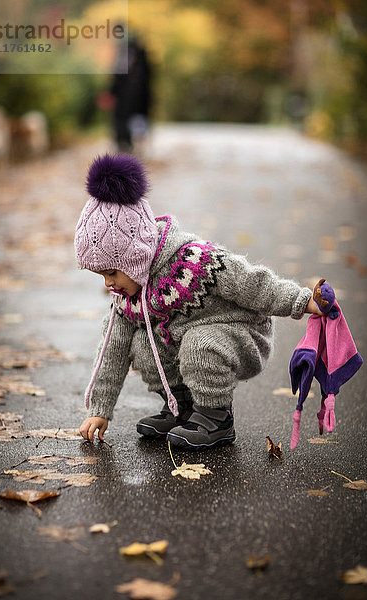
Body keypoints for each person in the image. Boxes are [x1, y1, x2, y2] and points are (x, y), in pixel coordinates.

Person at [76, 153, 323, 450]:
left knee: (199, 342)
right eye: (100, 275)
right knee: (141, 342)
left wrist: (304, 302)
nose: (108, 283)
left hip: (241, 334)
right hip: (190, 343)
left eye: (111, 272)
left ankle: (216, 417)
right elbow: (111, 350)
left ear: (135, 255)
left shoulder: (195, 260)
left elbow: (254, 285)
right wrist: (100, 410)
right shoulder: (126, 297)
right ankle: (182, 408)